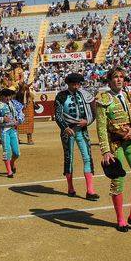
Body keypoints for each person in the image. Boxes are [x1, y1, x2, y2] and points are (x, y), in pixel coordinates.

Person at [96, 67, 131, 232]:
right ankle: (120, 218)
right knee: (118, 180)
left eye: (121, 77)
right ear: (109, 80)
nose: (119, 79)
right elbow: (101, 128)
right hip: (115, 144)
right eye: (115, 77)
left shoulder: (130, 96)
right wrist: (106, 151)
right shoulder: (103, 99)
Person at [54, 72, 99, 200]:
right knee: (69, 158)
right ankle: (70, 187)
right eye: (73, 84)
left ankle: (90, 190)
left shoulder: (83, 94)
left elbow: (92, 112)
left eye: (78, 84)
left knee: (87, 157)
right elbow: (58, 115)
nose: (76, 86)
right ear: (68, 84)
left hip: (82, 129)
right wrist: (65, 127)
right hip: (68, 131)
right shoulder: (61, 96)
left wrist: (88, 121)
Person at [0, 88, 25, 178]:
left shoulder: (13, 103)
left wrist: (19, 121)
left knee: (16, 153)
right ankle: (9, 171)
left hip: (13, 129)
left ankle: (12, 162)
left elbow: (21, 113)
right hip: (4, 130)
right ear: (1, 96)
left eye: (9, 96)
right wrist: (2, 119)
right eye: (6, 96)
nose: (8, 98)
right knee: (7, 151)